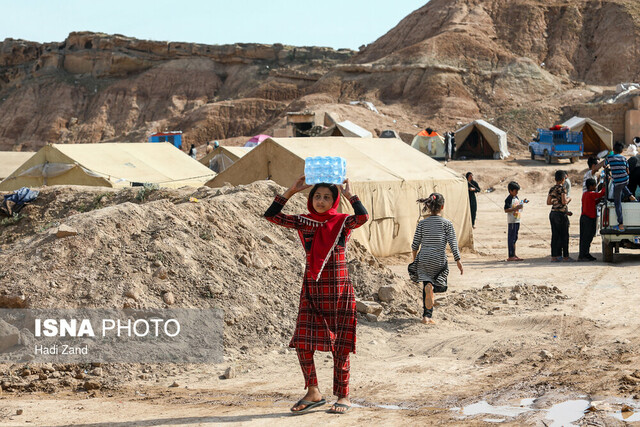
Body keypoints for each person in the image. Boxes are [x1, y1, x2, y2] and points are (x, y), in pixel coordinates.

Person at [264, 176, 368, 415]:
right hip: (312, 288)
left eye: (327, 197)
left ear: (334, 200)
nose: (321, 201)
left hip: (339, 290)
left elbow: (362, 217)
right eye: (317, 196)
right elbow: (272, 216)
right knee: (303, 342)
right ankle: (313, 392)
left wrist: (351, 195)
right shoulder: (304, 222)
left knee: (340, 346)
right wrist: (290, 191)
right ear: (311, 199)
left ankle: (343, 395)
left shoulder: (343, 222)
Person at [411, 193, 463, 325]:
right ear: (443, 207)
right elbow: (453, 243)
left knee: (426, 283)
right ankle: (433, 288)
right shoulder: (447, 224)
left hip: (424, 258)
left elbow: (415, 244)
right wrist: (458, 260)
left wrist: (414, 260)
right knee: (441, 284)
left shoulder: (422, 224)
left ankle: (426, 316)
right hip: (439, 259)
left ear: (428, 206)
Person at [604, 141, 635, 231]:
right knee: (623, 184)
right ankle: (630, 195)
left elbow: (605, 166)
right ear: (622, 151)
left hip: (617, 182)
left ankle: (620, 224)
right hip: (626, 180)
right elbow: (628, 171)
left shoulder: (609, 158)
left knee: (617, 203)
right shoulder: (624, 158)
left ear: (613, 150)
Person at [547, 170, 573, 262]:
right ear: (563, 179)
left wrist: (555, 201)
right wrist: (569, 199)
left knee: (555, 236)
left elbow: (548, 202)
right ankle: (566, 256)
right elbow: (564, 201)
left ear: (555, 179)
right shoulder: (562, 189)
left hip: (553, 213)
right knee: (564, 235)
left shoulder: (552, 189)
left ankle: (554, 256)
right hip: (561, 214)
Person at [579, 178, 605, 261]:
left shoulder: (585, 194)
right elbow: (601, 194)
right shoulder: (591, 194)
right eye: (594, 186)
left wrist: (598, 200)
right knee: (587, 237)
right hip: (589, 219)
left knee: (584, 237)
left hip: (584, 218)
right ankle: (584, 255)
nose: (595, 188)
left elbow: (592, 202)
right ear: (590, 186)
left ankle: (584, 254)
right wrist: (605, 186)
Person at [504, 181, 525, 261]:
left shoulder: (516, 197)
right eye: (515, 191)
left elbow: (519, 204)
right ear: (510, 191)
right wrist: (515, 208)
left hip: (517, 220)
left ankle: (514, 254)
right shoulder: (508, 199)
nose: (517, 193)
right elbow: (506, 209)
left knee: (515, 238)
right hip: (512, 221)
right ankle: (510, 255)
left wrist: (524, 202)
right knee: (511, 238)